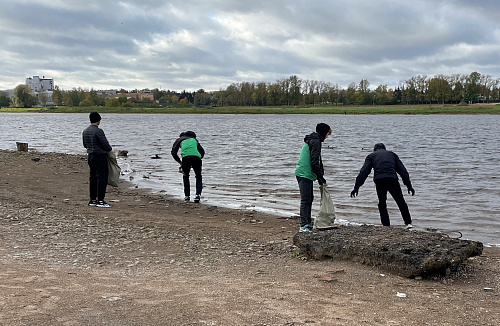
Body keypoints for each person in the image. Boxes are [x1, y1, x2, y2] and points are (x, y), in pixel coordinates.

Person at [350, 143, 415, 228]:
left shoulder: (371, 156)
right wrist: (408, 185)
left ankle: (386, 226)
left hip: (379, 180)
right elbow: (403, 171)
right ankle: (408, 223)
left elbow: (364, 172)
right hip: (392, 179)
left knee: (382, 203)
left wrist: (356, 187)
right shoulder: (392, 154)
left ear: (375, 149)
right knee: (400, 201)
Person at [294, 123, 332, 232]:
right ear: (324, 132)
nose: (327, 136)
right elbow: (314, 162)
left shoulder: (314, 140)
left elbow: (318, 161)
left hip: (306, 173)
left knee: (310, 198)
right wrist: (320, 176)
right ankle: (303, 225)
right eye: (327, 134)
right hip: (304, 173)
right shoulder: (316, 142)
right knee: (306, 199)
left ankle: (307, 221)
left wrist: (321, 175)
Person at [82, 112, 113, 208]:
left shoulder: (85, 131)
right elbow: (106, 145)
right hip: (100, 156)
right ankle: (100, 200)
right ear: (98, 120)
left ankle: (92, 200)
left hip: (90, 156)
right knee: (102, 178)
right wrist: (109, 149)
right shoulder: (99, 131)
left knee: (93, 178)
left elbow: (85, 145)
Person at [171, 131, 205, 203]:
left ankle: (187, 196)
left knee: (186, 176)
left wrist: (180, 162)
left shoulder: (179, 140)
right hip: (197, 158)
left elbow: (173, 152)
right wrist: (198, 158)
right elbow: (202, 152)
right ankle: (198, 195)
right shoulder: (194, 140)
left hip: (186, 158)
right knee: (198, 177)